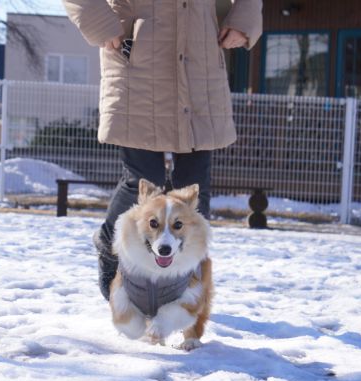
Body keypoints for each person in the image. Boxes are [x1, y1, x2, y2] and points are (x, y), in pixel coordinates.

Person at [62, 0, 263, 300]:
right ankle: (110, 243)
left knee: (194, 187)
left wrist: (243, 18)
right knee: (143, 181)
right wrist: (100, 22)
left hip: (198, 63)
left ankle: (185, 278)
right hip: (137, 60)